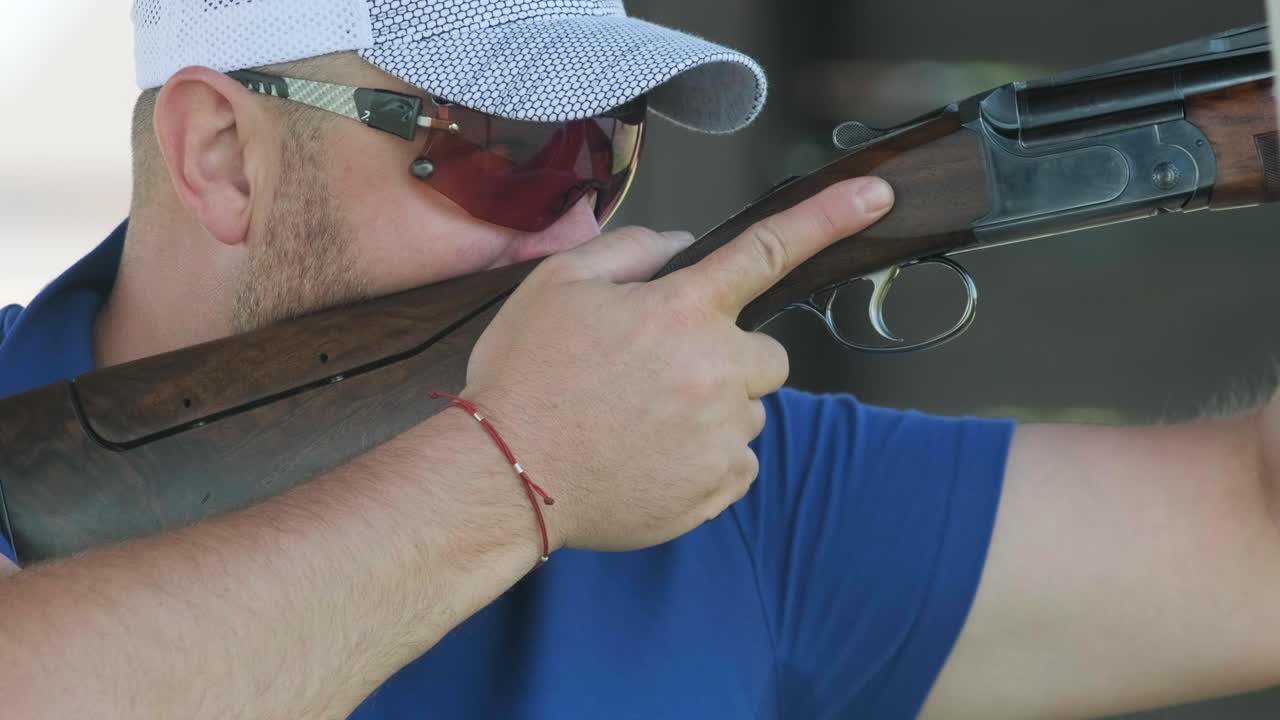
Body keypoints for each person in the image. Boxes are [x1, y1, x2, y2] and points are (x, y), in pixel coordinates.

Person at [0, 1, 1277, 718]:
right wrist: (517, 470)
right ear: (220, 154)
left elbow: (1253, 537)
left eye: (604, 153)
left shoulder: (715, 484)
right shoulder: (584, 440)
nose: (576, 231)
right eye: (511, 152)